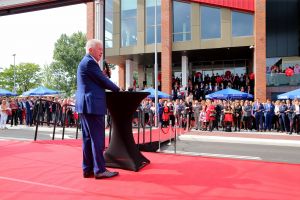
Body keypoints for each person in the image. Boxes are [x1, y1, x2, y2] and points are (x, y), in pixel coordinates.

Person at [76, 39, 120, 179]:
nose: (102, 51)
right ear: (90, 50)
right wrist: (118, 89)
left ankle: (88, 169)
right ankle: (100, 170)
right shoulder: (89, 62)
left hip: (86, 106)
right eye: (99, 49)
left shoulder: (86, 62)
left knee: (88, 139)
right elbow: (104, 81)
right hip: (92, 106)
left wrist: (102, 76)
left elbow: (98, 80)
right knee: (97, 140)